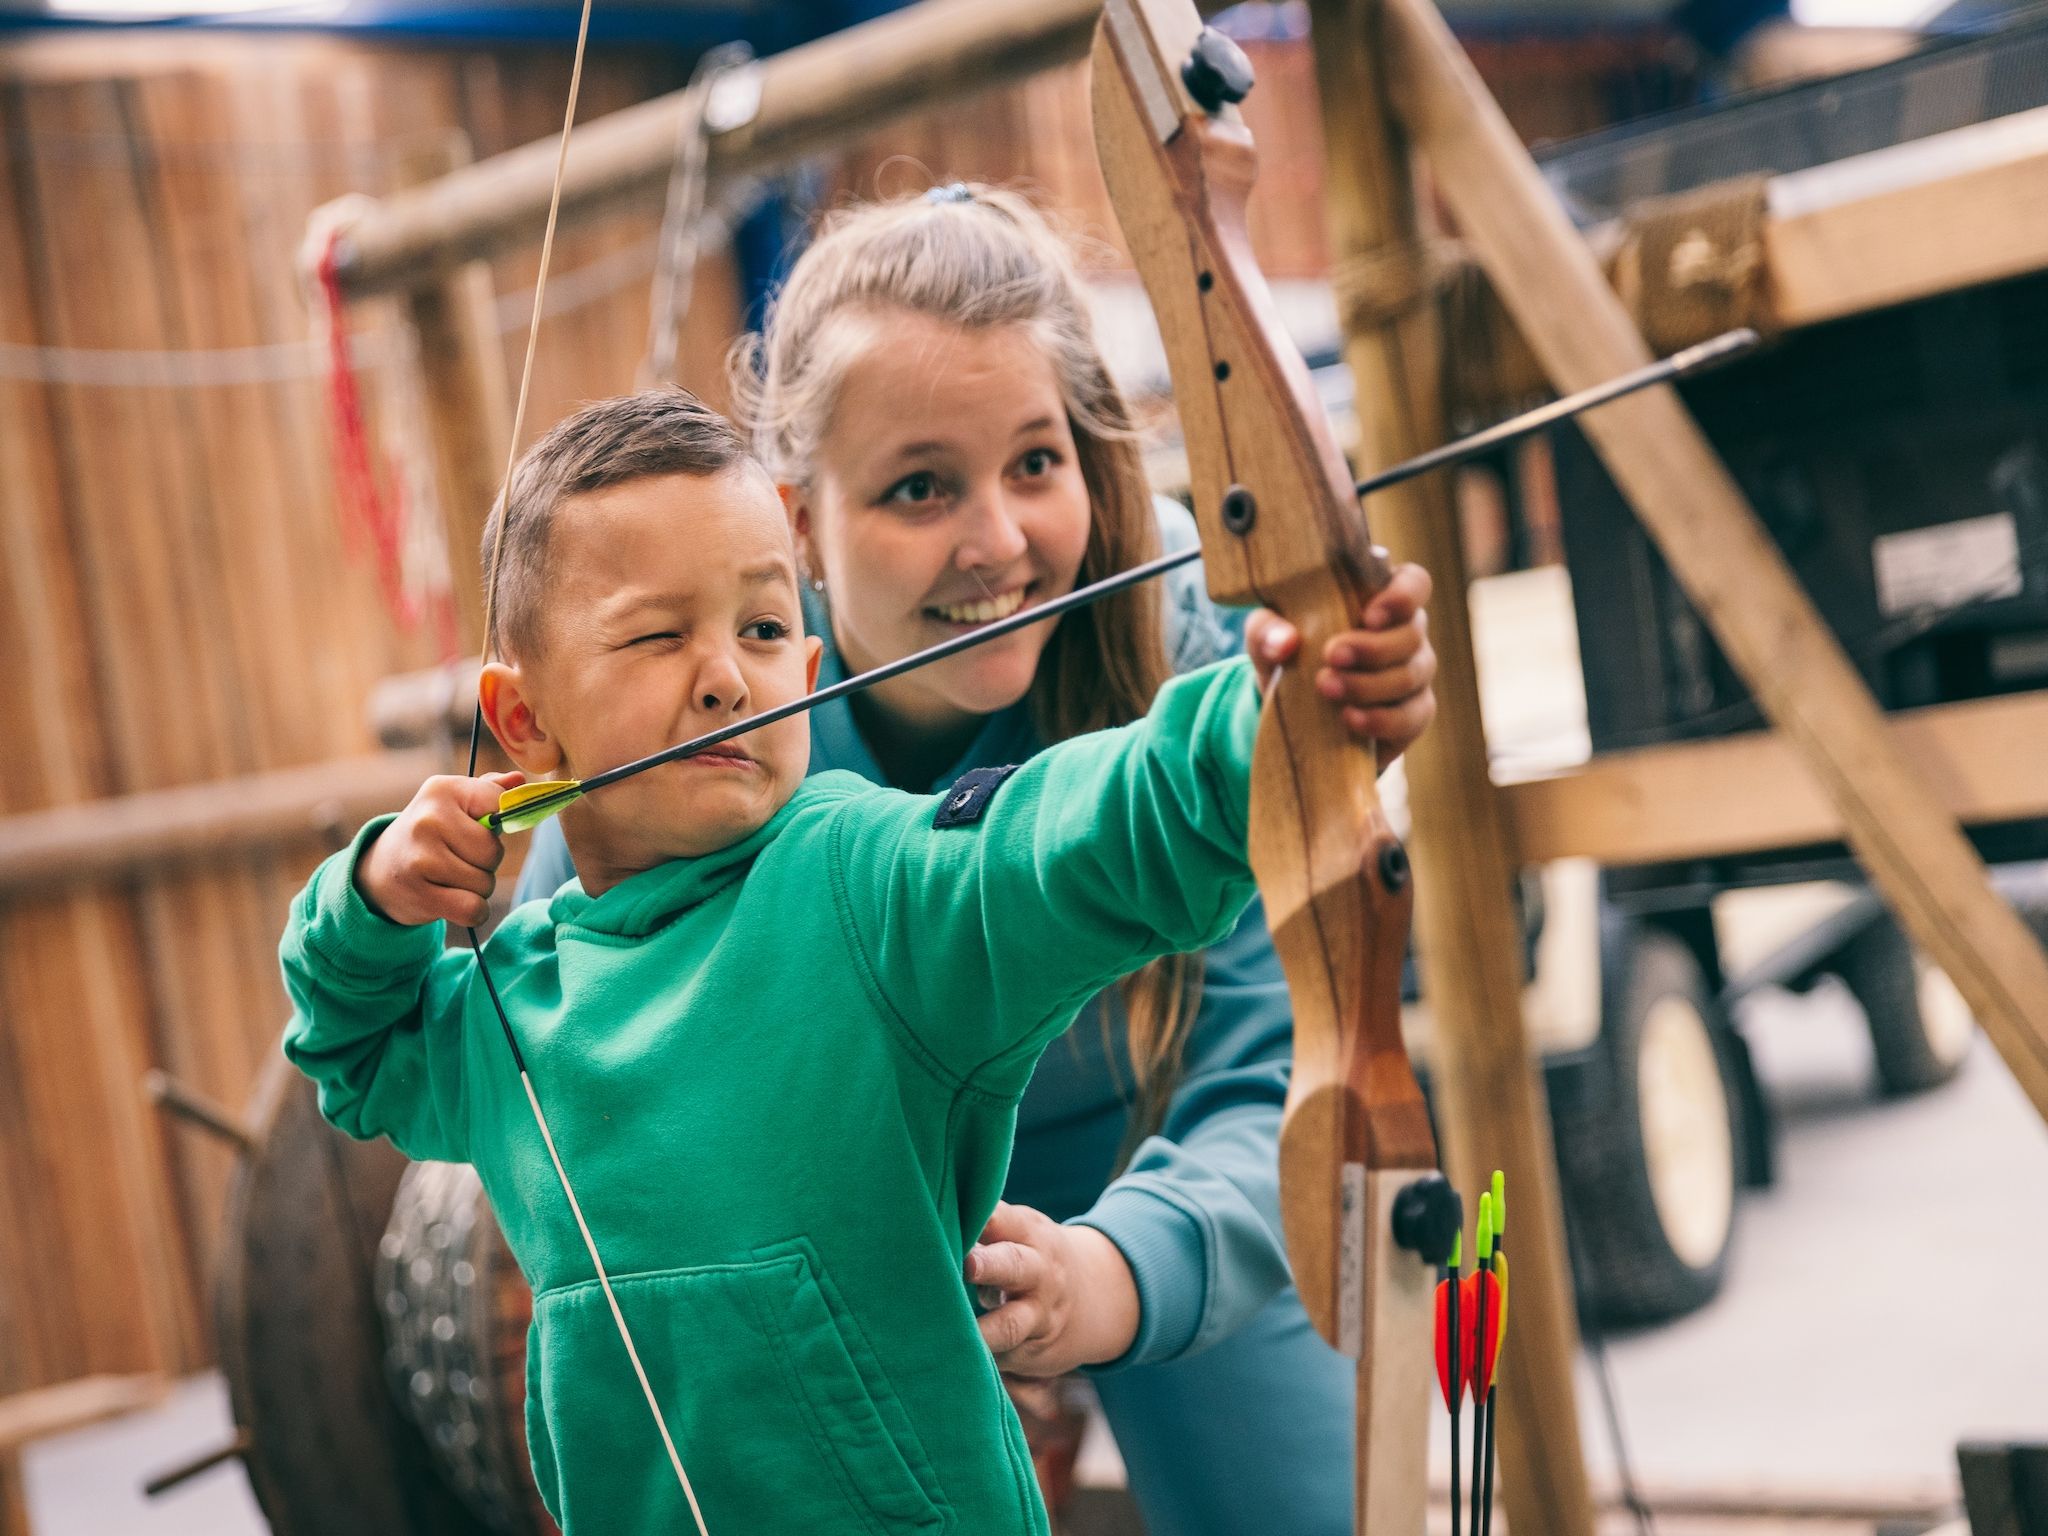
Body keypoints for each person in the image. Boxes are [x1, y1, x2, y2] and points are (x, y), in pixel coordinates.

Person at [513, 185, 1438, 1534]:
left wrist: (1109, 1278)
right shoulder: (698, 717)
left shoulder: (1187, 633)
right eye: (919, 487)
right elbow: (571, 1084)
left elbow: (1278, 1079)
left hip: (1158, 1177)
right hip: (825, 1248)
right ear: (797, 522)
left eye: (1035, 464)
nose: (997, 542)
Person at [280, 388, 1321, 1534]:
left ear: (812, 671)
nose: (726, 676)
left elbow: (1066, 838)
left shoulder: (863, 882)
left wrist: (1267, 722)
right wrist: (370, 895)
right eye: (657, 635)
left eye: (764, 630)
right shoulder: (509, 1003)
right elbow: (354, 1054)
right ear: (521, 723)